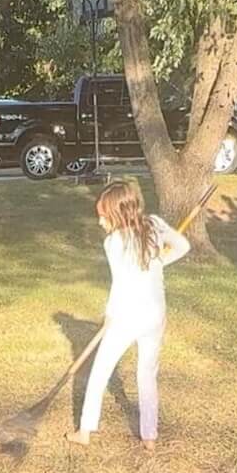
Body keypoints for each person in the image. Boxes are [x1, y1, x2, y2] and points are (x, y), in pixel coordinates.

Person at [67, 180, 190, 452]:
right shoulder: (155, 225)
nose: (99, 221)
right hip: (155, 314)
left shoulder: (113, 242)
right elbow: (183, 246)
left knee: (100, 371)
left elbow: (120, 283)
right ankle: (149, 436)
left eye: (102, 215)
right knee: (147, 373)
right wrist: (158, 262)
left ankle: (85, 431)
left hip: (127, 315)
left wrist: (110, 315)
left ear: (117, 213)